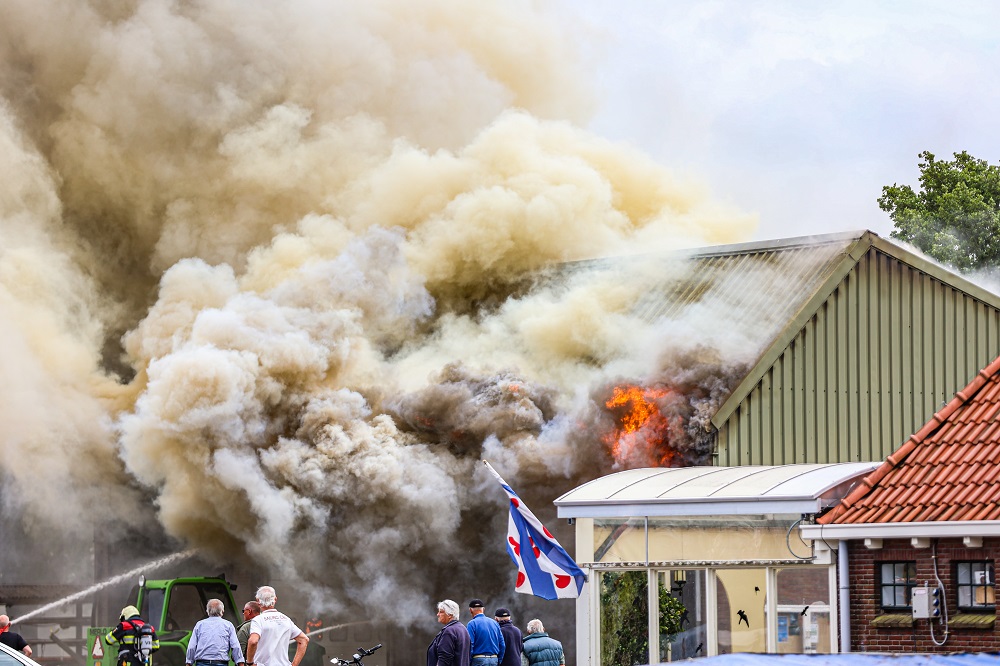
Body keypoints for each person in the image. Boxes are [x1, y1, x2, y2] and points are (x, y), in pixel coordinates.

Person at [245, 586, 308, 666]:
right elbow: (304, 640)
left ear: (258, 601)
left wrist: (250, 663)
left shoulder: (258, 620)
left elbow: (253, 641)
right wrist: (294, 665)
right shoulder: (286, 620)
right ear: (275, 599)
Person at [185, 599, 245, 666]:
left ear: (207, 611)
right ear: (222, 611)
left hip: (202, 663)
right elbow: (235, 646)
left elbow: (191, 646)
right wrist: (240, 662)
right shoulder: (228, 625)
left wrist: (189, 662)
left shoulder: (199, 625)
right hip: (221, 663)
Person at [426, 600, 470, 666]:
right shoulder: (463, 629)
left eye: (441, 612)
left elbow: (444, 658)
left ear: (450, 615)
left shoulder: (449, 631)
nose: (438, 614)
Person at [466, 599, 503, 666]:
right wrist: (498, 660)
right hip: (494, 660)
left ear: (470, 610)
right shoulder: (495, 623)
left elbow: (470, 645)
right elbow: (502, 644)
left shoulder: (471, 624)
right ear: (483, 609)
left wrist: (468, 662)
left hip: (478, 660)